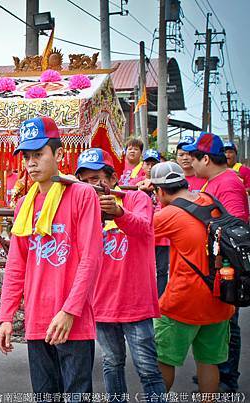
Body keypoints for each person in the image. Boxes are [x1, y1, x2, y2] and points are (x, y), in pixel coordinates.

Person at [0, 116, 103, 393]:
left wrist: (69, 311)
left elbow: (91, 259)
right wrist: (6, 316)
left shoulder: (81, 195)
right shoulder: (24, 204)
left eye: (39, 154)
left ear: (59, 154)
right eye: (27, 156)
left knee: (77, 396)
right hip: (36, 319)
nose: (31, 162)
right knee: (45, 396)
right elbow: (16, 264)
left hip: (72, 322)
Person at [75, 148, 165, 396]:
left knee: (147, 369)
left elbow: (143, 227)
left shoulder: (136, 199)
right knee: (112, 365)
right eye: (85, 180)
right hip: (101, 304)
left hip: (135, 303)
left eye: (96, 179)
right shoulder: (83, 208)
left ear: (113, 179)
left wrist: (119, 213)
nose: (90, 186)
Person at [146, 161, 235, 394]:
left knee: (164, 360)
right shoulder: (209, 201)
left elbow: (138, 228)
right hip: (220, 297)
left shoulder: (170, 214)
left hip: (183, 303)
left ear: (160, 191)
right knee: (208, 362)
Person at [183, 133, 248, 392]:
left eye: (193, 156)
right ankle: (214, 374)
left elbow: (237, 227)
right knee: (218, 325)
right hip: (215, 265)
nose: (189, 161)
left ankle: (226, 380)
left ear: (206, 158)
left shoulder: (228, 183)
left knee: (228, 325)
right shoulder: (213, 181)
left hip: (227, 268)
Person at [141, 149, 170, 297]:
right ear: (143, 165)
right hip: (144, 233)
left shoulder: (165, 184)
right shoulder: (135, 184)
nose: (150, 167)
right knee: (143, 268)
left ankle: (160, 299)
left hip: (162, 236)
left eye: (154, 163)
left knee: (162, 269)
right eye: (148, 163)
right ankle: (145, 296)